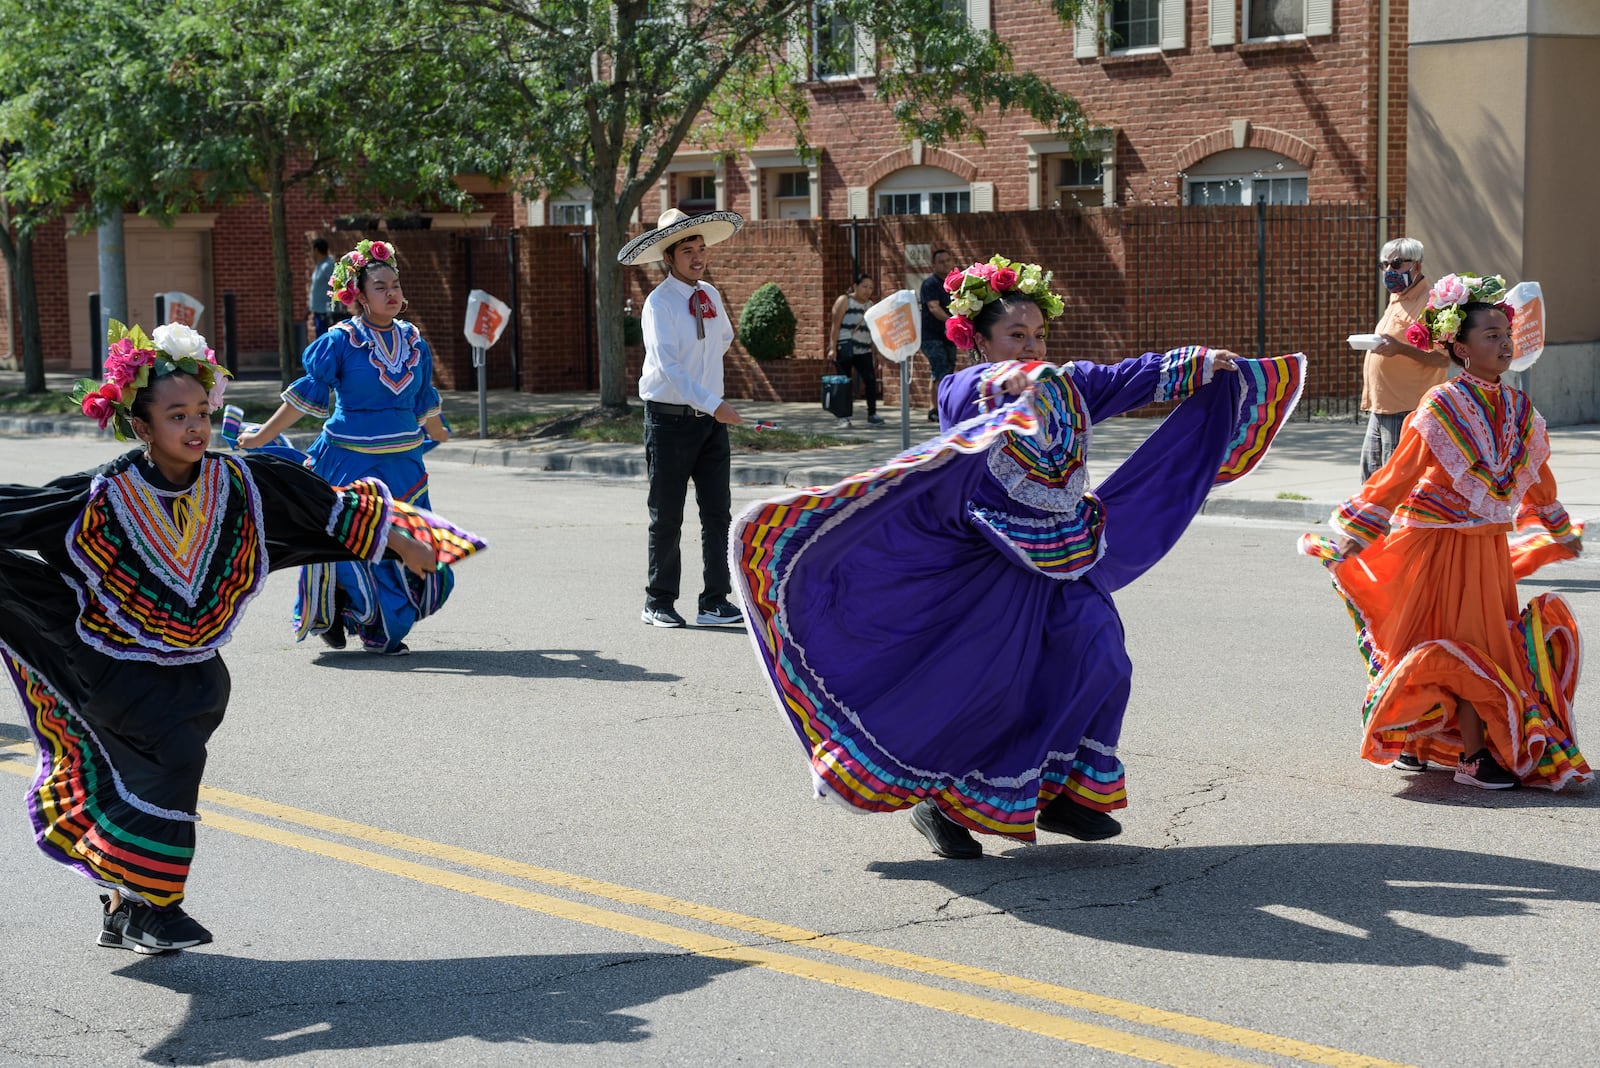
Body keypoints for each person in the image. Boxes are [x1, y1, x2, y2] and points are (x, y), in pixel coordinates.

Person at [731, 254, 1306, 859]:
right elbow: (958, 398)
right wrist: (999, 385)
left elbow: (1130, 376)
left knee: (1102, 657)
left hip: (1066, 557)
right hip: (987, 566)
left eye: (1036, 334)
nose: (1029, 345)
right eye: (1014, 335)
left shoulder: (1066, 386)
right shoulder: (965, 387)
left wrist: (1196, 364)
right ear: (979, 340)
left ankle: (1063, 793)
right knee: (981, 691)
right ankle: (937, 804)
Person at [0, 322, 482, 953]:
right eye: (177, 415)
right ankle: (157, 909)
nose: (196, 426)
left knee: (142, 774)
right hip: (114, 666)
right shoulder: (103, 495)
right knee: (171, 766)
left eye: (202, 411)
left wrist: (402, 540)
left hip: (196, 674)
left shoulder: (239, 483)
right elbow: (19, 512)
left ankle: (121, 903)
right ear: (141, 427)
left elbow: (322, 506)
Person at [1301, 273, 1590, 791]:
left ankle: (1422, 741)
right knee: (1449, 641)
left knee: (1473, 640)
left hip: (1485, 548)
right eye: (1491, 336)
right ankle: (1470, 755)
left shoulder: (1521, 410)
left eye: (1506, 334)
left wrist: (1556, 526)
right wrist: (1359, 528)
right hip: (1432, 545)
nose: (1504, 344)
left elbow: (1537, 475)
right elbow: (1399, 473)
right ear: (1459, 346)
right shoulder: (1440, 407)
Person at [237, 238, 455, 656]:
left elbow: (423, 398)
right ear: (358, 296)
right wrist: (261, 437)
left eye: (395, 284)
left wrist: (438, 431)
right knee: (358, 544)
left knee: (423, 557)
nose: (392, 293)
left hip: (405, 465)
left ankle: (349, 607)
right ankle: (352, 611)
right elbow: (305, 398)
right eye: (380, 286)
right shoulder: (340, 341)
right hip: (349, 462)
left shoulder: (414, 340)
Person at [618, 208, 748, 630]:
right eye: (687, 250)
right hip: (670, 422)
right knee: (667, 514)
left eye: (701, 248)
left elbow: (724, 338)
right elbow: (669, 367)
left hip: (710, 421)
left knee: (717, 512)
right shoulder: (659, 304)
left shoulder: (708, 293)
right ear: (668, 258)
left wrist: (710, 399)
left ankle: (714, 600)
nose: (697, 257)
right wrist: (712, 400)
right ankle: (658, 600)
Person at [1360, 237, 1450, 479]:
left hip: (1407, 407)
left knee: (1397, 480)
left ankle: (1395, 519)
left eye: (1396, 264)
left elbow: (1443, 359)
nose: (1389, 271)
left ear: (1416, 266)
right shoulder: (1397, 299)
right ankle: (1375, 519)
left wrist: (1400, 348)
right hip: (1382, 405)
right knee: (1371, 479)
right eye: (1384, 265)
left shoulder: (1431, 304)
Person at [827, 272, 884, 428]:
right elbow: (835, 325)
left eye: (871, 287)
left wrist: (876, 352)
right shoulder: (844, 301)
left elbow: (873, 330)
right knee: (845, 383)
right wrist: (832, 348)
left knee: (870, 381)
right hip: (845, 348)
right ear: (855, 286)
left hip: (863, 349)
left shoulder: (870, 306)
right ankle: (843, 417)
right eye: (864, 286)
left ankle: (872, 414)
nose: (868, 290)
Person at [919, 248, 957, 422]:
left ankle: (935, 407)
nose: (946, 264)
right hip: (931, 336)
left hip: (949, 336)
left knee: (945, 371)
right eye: (941, 261)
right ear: (934, 265)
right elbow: (934, 307)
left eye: (948, 260)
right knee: (941, 370)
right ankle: (939, 409)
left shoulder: (954, 284)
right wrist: (952, 321)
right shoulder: (930, 284)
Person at [308, 238, 337, 339]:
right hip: (318, 311)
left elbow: (335, 287)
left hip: (325, 313)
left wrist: (331, 309)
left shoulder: (328, 265)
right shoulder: (319, 265)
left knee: (324, 340)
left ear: (316, 250)